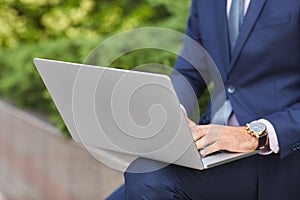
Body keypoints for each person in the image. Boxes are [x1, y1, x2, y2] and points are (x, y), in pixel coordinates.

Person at [106, 0, 300, 199]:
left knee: (147, 178)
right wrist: (174, 110)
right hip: (213, 147)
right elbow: (191, 70)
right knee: (131, 183)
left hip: (279, 157)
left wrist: (251, 136)